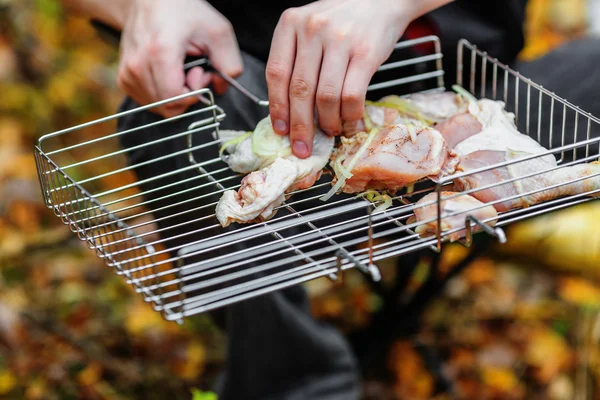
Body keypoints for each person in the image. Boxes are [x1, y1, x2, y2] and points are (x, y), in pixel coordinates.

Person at [59, 0, 600, 398]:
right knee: (163, 116)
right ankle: (296, 382)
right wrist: (140, 7)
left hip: (467, 107)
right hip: (282, 122)